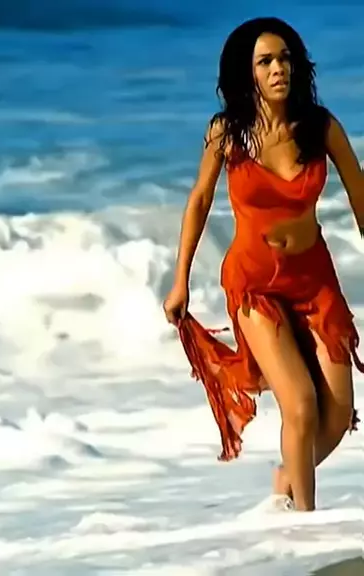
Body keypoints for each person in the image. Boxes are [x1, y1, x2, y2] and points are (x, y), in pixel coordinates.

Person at [163, 16, 364, 513]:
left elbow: (361, 196)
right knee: (300, 403)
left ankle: (286, 481)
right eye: (266, 61)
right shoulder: (227, 132)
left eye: (285, 59)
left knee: (339, 414)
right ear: (246, 72)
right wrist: (180, 280)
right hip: (254, 284)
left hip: (313, 279)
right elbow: (199, 200)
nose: (279, 69)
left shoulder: (320, 127)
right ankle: (305, 522)